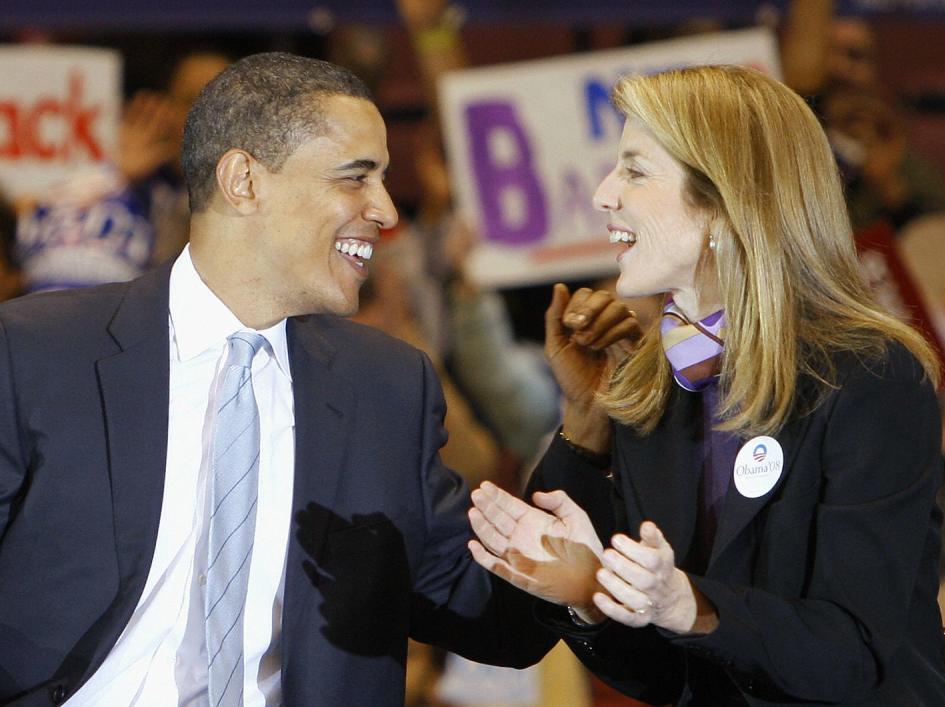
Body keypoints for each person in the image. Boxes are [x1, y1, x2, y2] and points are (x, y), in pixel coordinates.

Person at [0, 53, 646, 706]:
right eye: (355, 177)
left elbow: (496, 617)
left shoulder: (384, 387)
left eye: (385, 179)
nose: (387, 210)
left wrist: (586, 425)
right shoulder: (37, 354)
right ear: (244, 181)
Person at [467, 65, 945, 704]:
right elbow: (670, 678)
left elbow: (853, 655)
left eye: (636, 171)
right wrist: (591, 595)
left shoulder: (869, 375)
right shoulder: (653, 382)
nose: (604, 194)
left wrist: (689, 604)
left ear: (727, 205)